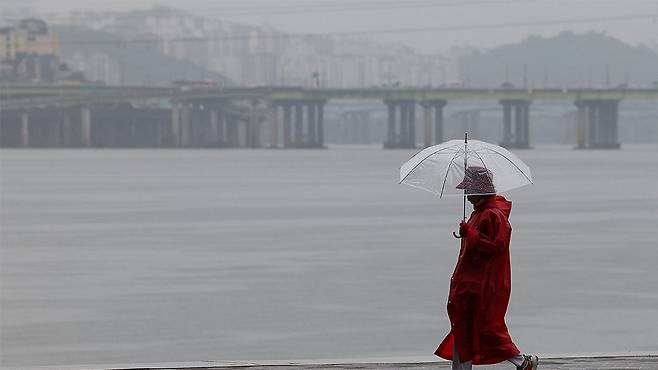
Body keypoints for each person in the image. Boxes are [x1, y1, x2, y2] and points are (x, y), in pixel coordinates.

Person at [434, 166, 539, 370]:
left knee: (487, 327)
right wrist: (468, 233)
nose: (465, 194)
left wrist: (470, 234)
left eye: (468, 189)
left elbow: (497, 246)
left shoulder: (494, 215)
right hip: (468, 282)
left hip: (482, 284)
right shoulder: (478, 214)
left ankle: (521, 361)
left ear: (479, 189)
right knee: (463, 329)